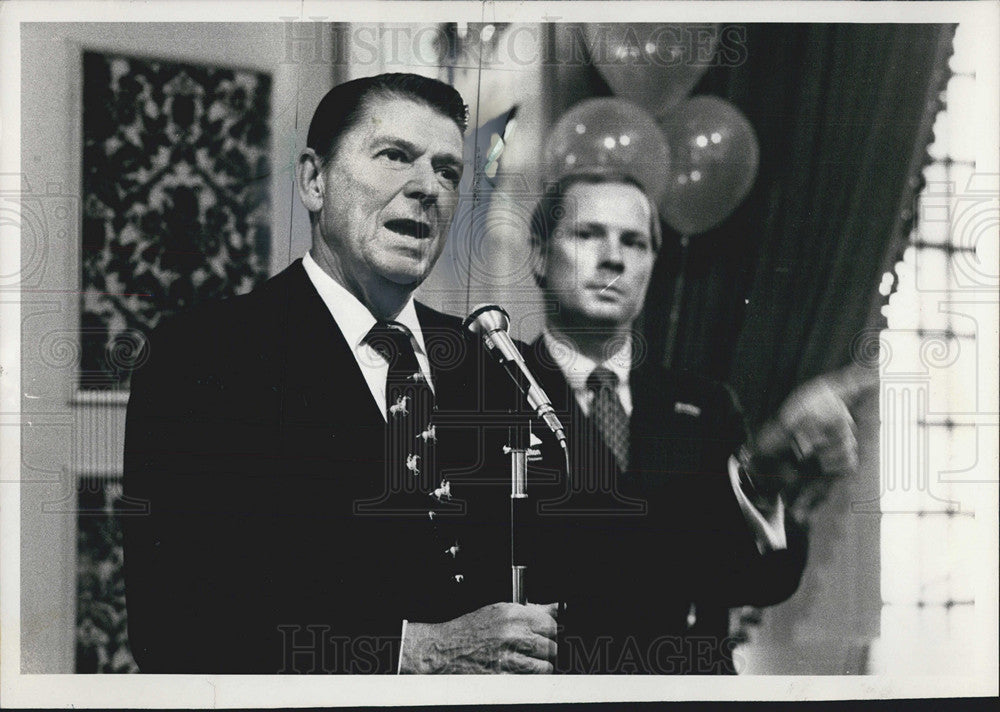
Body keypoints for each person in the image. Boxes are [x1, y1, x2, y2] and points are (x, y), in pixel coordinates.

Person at [123, 74, 559, 675]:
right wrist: (413, 652)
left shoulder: (486, 358)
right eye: (394, 157)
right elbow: (174, 626)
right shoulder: (202, 359)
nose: (426, 187)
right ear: (313, 180)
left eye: (447, 171)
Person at [521, 171, 860, 674]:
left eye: (634, 242)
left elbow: (761, 582)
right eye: (588, 234)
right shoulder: (491, 393)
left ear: (652, 267)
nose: (613, 258)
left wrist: (767, 484)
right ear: (540, 255)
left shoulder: (704, 406)